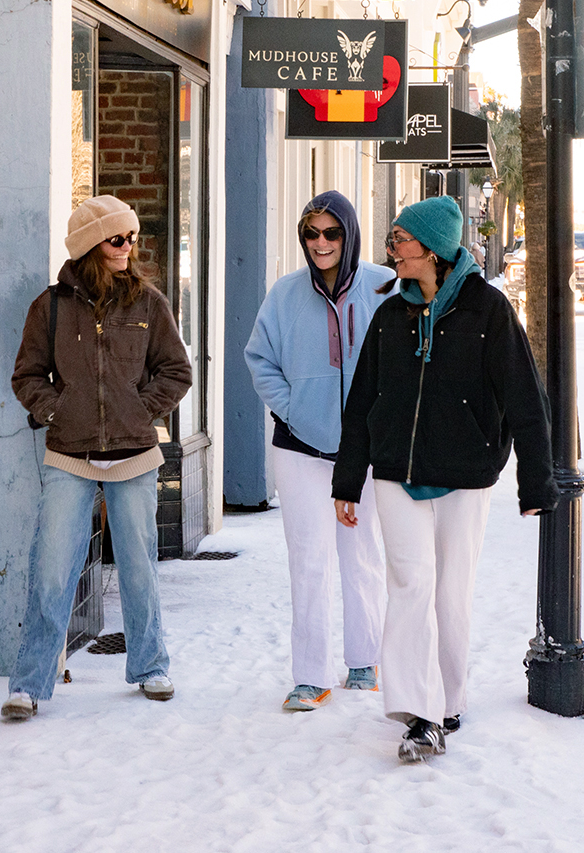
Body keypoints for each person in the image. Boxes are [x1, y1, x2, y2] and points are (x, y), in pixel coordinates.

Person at [331, 196, 558, 763]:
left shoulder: (488, 311)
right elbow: (362, 402)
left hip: (465, 474)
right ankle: (421, 712)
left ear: (433, 248)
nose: (391, 251)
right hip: (395, 472)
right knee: (409, 586)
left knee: (450, 590)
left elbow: (525, 401)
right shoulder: (389, 314)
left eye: (400, 241)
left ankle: (449, 699)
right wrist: (346, 479)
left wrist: (536, 483)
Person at [3, 195, 192, 720]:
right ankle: (31, 682)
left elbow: (177, 371)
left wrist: (139, 410)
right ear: (91, 245)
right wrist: (57, 411)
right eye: (117, 238)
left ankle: (151, 665)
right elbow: (26, 376)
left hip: (134, 456)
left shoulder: (148, 303)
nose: (128, 246)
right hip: (70, 454)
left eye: (131, 237)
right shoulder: (52, 307)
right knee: (51, 571)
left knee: (139, 569)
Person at [244, 191, 392, 712]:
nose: (322, 243)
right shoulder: (284, 295)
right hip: (300, 449)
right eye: (312, 234)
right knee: (308, 558)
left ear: (348, 234)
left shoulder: (383, 286)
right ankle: (309, 675)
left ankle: (364, 660)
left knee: (363, 555)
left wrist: (383, 417)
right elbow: (259, 358)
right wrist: (293, 411)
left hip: (368, 449)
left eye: (332, 233)